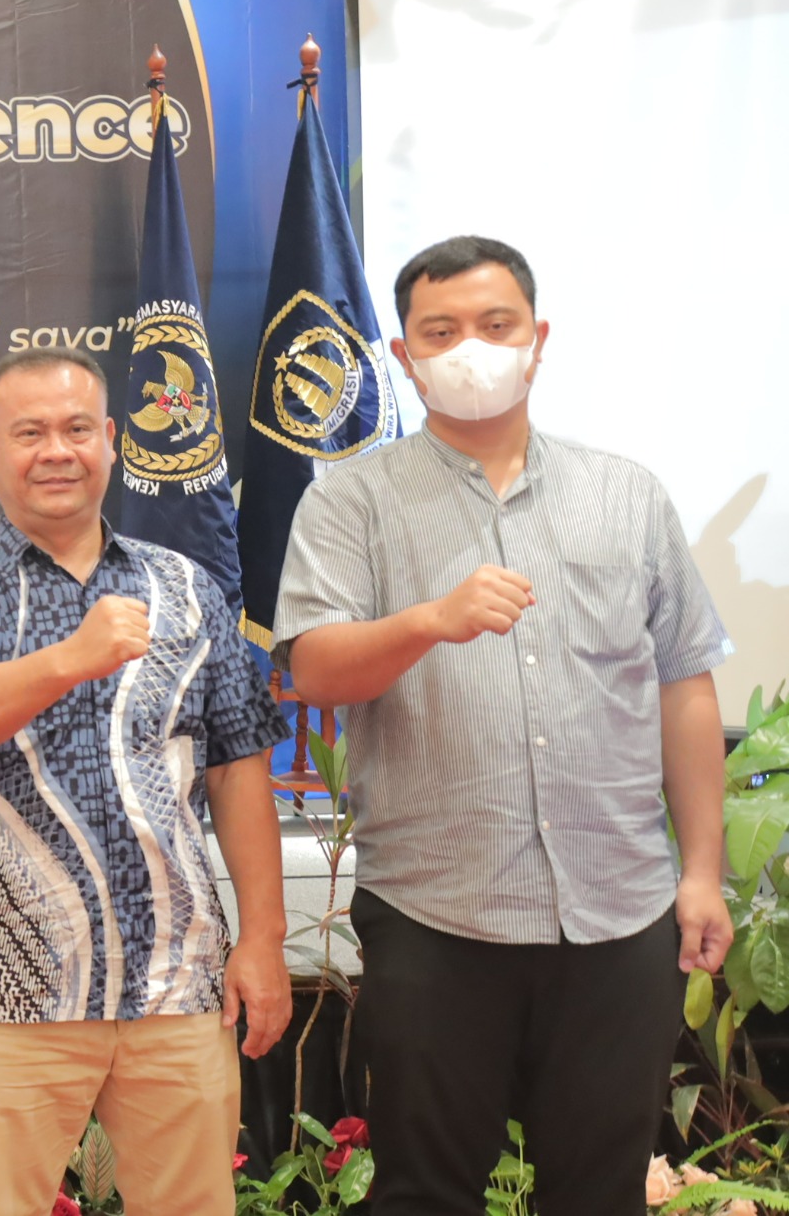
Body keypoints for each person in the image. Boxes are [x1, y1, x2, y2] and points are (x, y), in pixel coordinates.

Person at [273, 235, 730, 1215]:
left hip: (618, 909)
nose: (470, 349)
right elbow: (314, 668)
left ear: (537, 338)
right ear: (405, 355)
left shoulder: (626, 493)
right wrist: (429, 621)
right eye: (441, 332)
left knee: (599, 1192)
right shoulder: (350, 499)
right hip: (437, 913)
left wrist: (700, 871)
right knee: (426, 1192)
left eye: (494, 324)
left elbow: (682, 682)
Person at [0, 348, 290, 1216]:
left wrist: (263, 937)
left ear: (111, 440)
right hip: (10, 989)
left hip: (178, 984)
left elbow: (239, 765)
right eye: (29, 432)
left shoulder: (188, 589)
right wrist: (71, 657)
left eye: (77, 429)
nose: (56, 451)